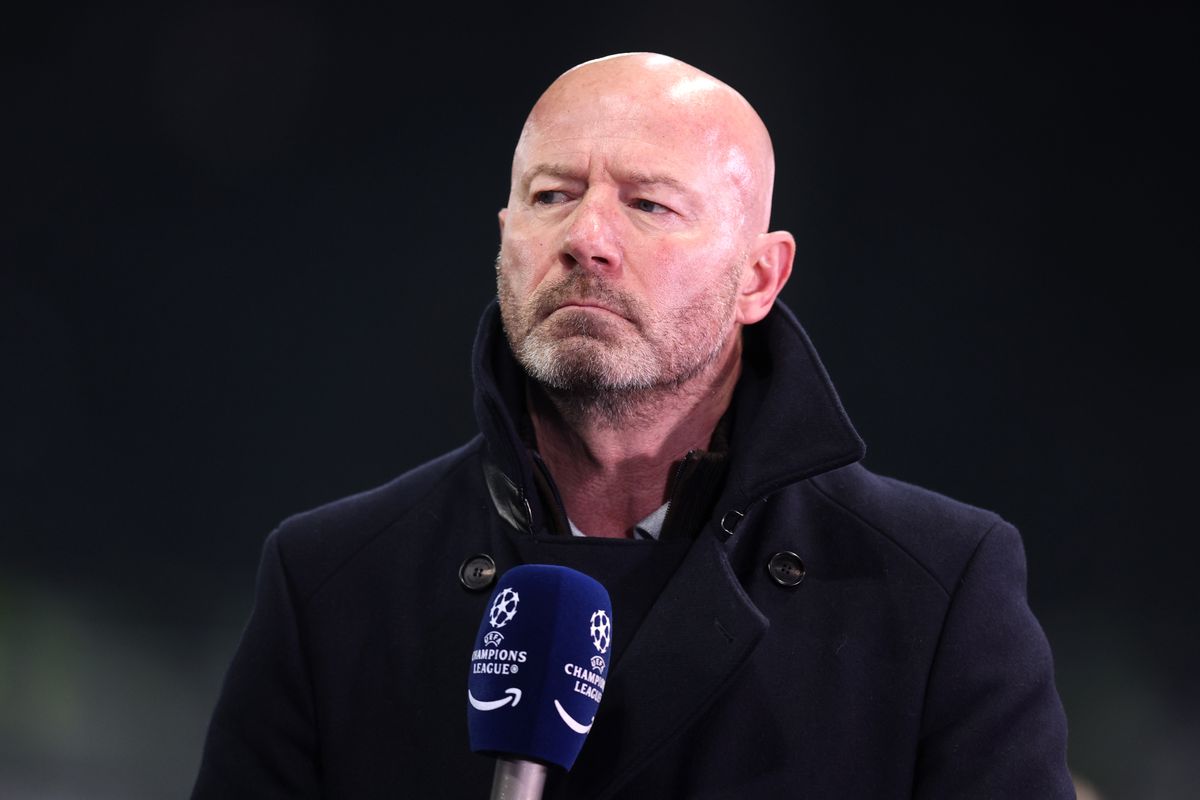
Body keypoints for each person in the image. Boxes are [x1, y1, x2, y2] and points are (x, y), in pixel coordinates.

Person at [192, 52, 1074, 798]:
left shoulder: (936, 589)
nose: (587, 237)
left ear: (760, 279)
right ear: (505, 237)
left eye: (649, 205)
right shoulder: (332, 583)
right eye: (550, 196)